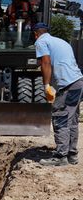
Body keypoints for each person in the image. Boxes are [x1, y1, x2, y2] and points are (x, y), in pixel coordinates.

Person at [33, 22, 83, 166]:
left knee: (60, 117)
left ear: (36, 34)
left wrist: (46, 85)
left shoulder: (41, 41)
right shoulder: (60, 41)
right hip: (78, 82)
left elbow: (46, 63)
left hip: (67, 84)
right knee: (72, 119)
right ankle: (72, 154)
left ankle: (61, 157)